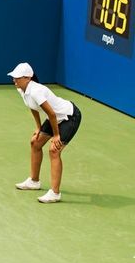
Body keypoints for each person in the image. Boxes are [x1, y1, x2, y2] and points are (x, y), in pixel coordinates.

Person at [8, 63, 82, 204]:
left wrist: (56, 136)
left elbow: (52, 114)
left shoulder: (36, 91)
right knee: (35, 143)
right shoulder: (22, 90)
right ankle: (34, 181)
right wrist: (38, 128)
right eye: (14, 77)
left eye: (17, 77)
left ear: (27, 78)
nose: (14, 80)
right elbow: (32, 107)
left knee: (54, 150)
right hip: (55, 118)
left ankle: (55, 193)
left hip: (69, 116)